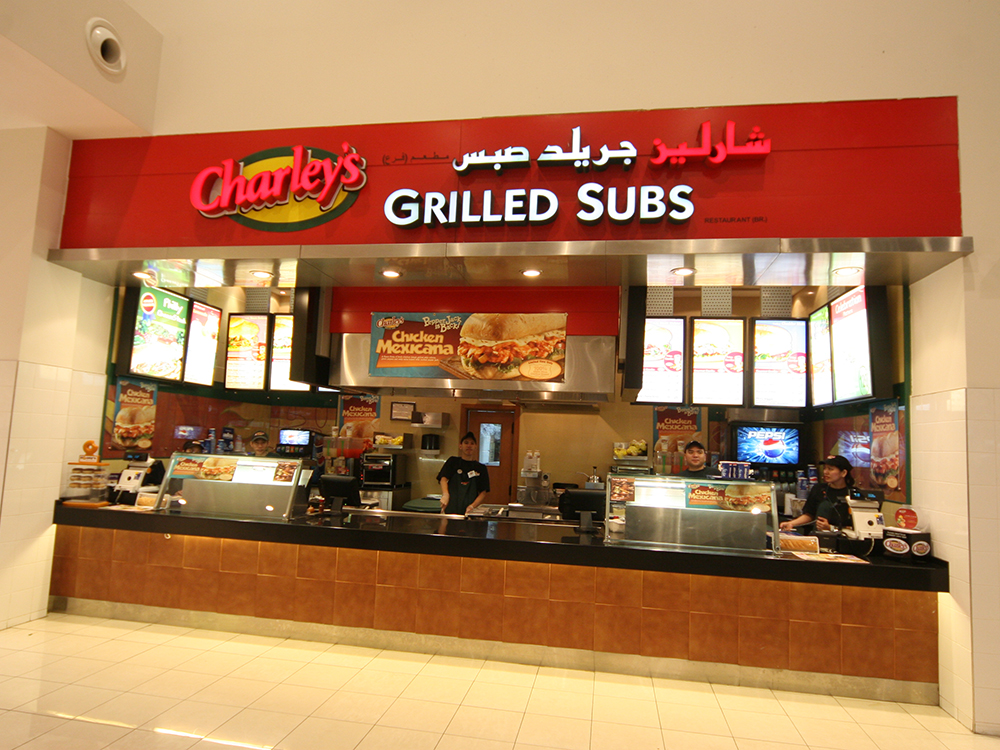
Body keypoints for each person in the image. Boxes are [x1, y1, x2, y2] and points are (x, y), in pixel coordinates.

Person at [780, 455, 854, 533]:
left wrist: (831, 528)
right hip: (816, 536)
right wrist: (791, 523)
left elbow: (855, 526)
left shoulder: (853, 494)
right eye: (824, 468)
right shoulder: (818, 489)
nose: (825, 472)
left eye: (830, 469)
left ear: (843, 473)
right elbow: (809, 515)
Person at [437, 431, 490, 515]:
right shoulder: (453, 462)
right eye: (466, 443)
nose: (469, 445)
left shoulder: (481, 468)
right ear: (460, 446)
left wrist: (472, 506)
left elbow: (483, 492)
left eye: (472, 443)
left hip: (470, 512)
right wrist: (445, 495)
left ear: (475, 447)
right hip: (451, 510)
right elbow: (443, 479)